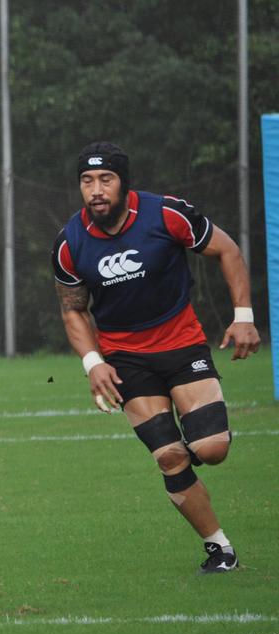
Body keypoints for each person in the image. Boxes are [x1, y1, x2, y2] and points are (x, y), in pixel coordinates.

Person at [51, 142, 260, 573]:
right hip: (125, 358)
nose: (96, 190)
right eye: (87, 182)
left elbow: (228, 251)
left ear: (124, 184)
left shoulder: (167, 214)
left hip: (182, 344)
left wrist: (243, 317)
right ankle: (221, 550)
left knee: (212, 447)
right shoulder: (70, 242)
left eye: (105, 180)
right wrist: (94, 363)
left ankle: (194, 441)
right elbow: (73, 309)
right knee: (169, 457)